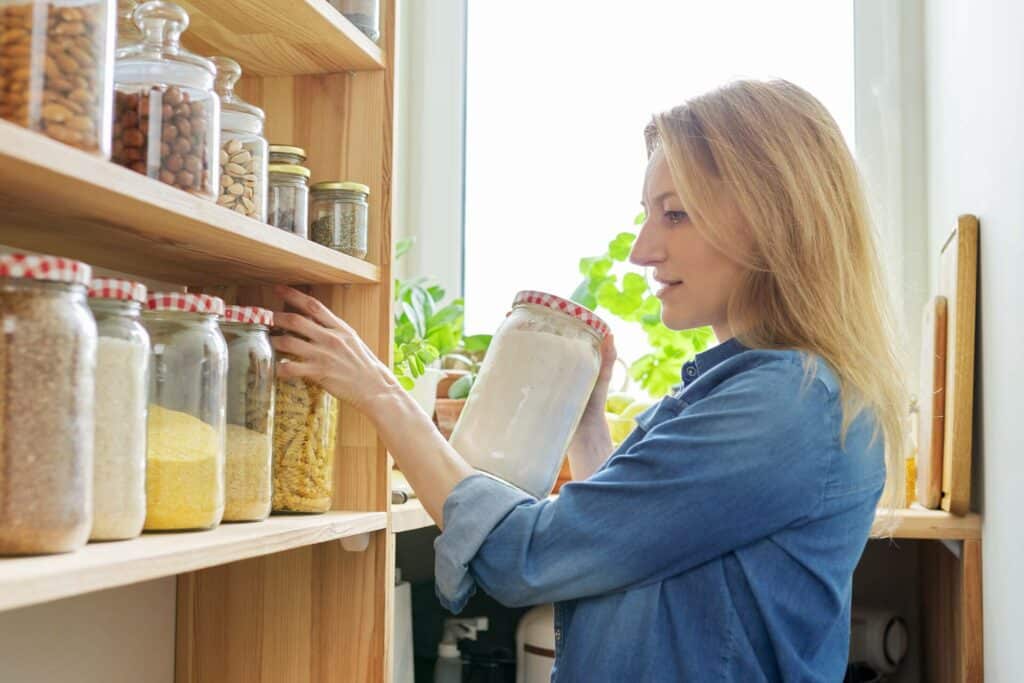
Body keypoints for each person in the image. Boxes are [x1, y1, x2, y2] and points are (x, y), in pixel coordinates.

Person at [271, 79, 907, 682]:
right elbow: (620, 547)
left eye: (676, 215)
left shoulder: (782, 408)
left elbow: (528, 556)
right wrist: (588, 422)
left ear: (775, 220)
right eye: (649, 214)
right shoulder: (753, 390)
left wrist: (380, 393)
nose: (642, 250)